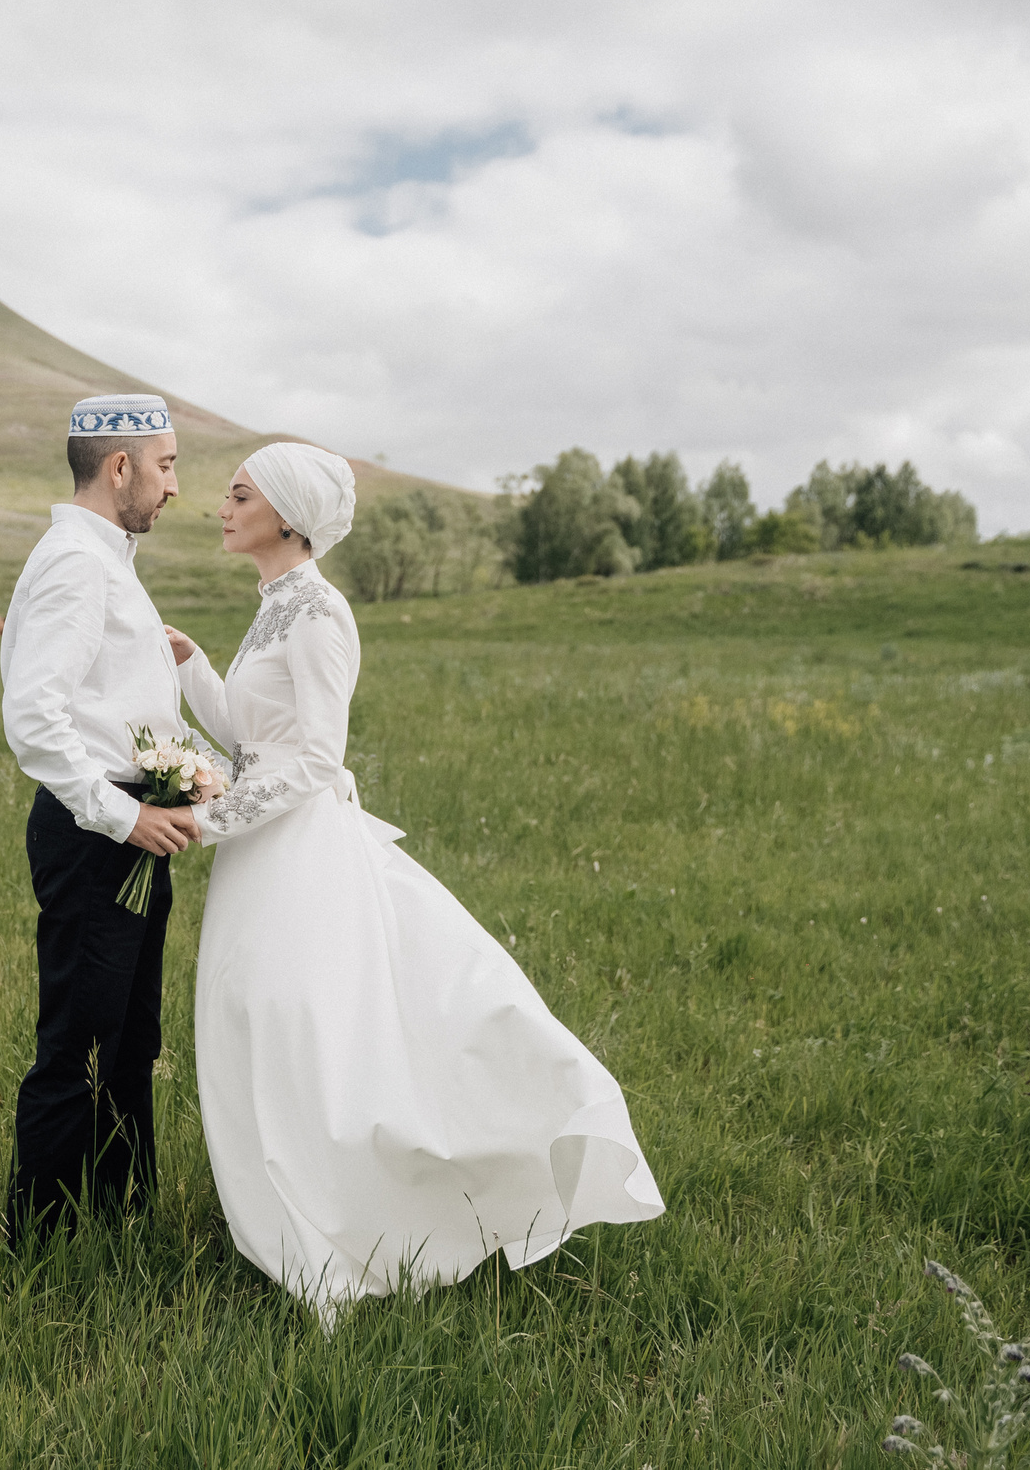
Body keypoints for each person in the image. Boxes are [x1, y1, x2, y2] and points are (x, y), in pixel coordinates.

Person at [165, 443, 665, 1321]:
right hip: (260, 854)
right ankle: (285, 1214)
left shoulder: (321, 611)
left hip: (300, 853)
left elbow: (318, 755)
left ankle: (356, 1220)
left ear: (286, 515)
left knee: (309, 1031)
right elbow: (254, 737)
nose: (220, 504)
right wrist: (191, 667)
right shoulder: (274, 605)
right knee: (258, 1028)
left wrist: (207, 821)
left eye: (238, 493)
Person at [0, 393, 199, 1244]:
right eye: (166, 466)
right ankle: (39, 1241)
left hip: (130, 824)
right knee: (77, 1043)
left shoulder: (107, 561)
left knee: (130, 1036)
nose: (175, 487)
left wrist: (160, 656)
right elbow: (34, 716)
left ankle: (119, 1214)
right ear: (119, 467)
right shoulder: (79, 563)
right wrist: (124, 818)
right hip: (96, 837)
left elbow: (97, 698)